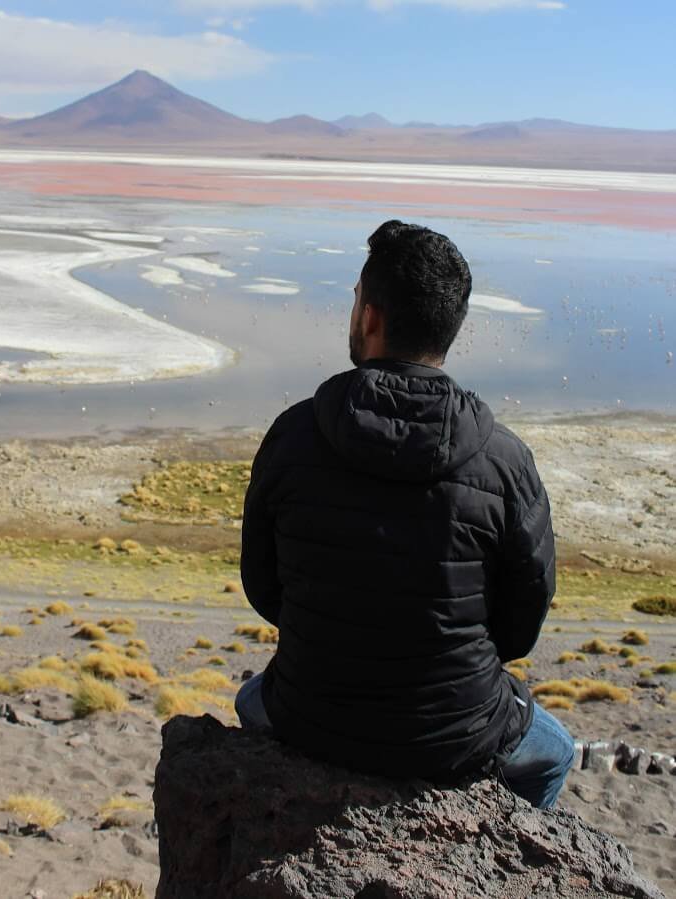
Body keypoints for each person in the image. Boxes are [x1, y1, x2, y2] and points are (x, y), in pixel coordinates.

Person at [236, 220, 574, 809]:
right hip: (457, 735)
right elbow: (520, 628)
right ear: (450, 329)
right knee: (558, 753)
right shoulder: (505, 460)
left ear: (370, 317)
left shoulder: (294, 434)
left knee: (247, 701)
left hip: (307, 714)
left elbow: (265, 589)